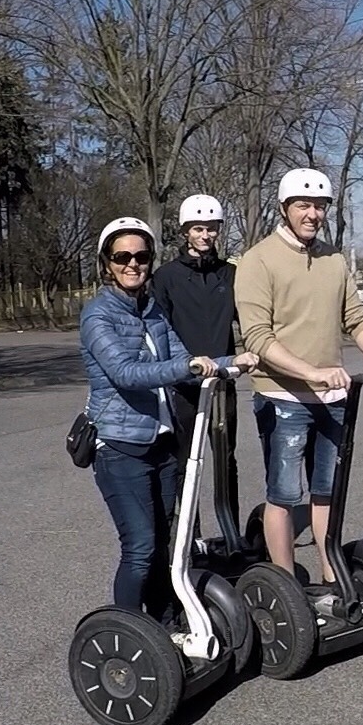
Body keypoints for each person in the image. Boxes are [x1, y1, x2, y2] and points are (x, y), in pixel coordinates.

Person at [234, 168, 363, 594]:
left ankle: (332, 579)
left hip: (331, 396)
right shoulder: (258, 260)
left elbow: (357, 318)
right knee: (285, 495)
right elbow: (258, 336)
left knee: (326, 491)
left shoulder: (334, 259)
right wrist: (311, 372)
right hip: (281, 397)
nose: (312, 214)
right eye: (303, 206)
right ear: (285, 208)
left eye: (319, 207)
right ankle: (286, 587)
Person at [79, 216, 237, 624]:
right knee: (140, 547)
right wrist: (187, 364)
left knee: (169, 543)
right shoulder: (97, 316)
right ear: (106, 263)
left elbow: (184, 360)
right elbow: (126, 373)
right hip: (119, 447)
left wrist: (231, 362)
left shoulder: (151, 310)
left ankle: (166, 624)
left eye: (141, 256)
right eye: (122, 256)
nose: (133, 264)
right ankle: (126, 631)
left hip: (162, 444)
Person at [150, 193, 240, 520]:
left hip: (222, 381)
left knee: (225, 458)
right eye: (198, 229)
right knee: (187, 458)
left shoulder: (230, 275)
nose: (205, 236)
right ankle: (190, 532)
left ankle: (231, 530)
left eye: (212, 229)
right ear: (186, 231)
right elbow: (159, 329)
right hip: (184, 383)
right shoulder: (166, 277)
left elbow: (250, 317)